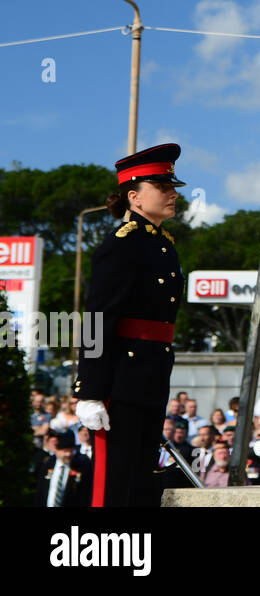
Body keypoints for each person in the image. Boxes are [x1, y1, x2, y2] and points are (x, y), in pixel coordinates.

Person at [73, 143, 187, 507]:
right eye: (163, 187)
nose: (172, 194)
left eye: (172, 187)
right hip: (119, 380)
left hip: (151, 375)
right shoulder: (121, 246)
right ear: (135, 197)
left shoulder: (163, 245)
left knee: (141, 481)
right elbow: (97, 320)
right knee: (113, 483)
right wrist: (88, 389)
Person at [36, 430, 93, 507]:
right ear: (56, 450)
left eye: (71, 451)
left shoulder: (81, 465)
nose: (68, 454)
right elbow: (40, 490)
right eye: (65, 451)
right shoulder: (48, 463)